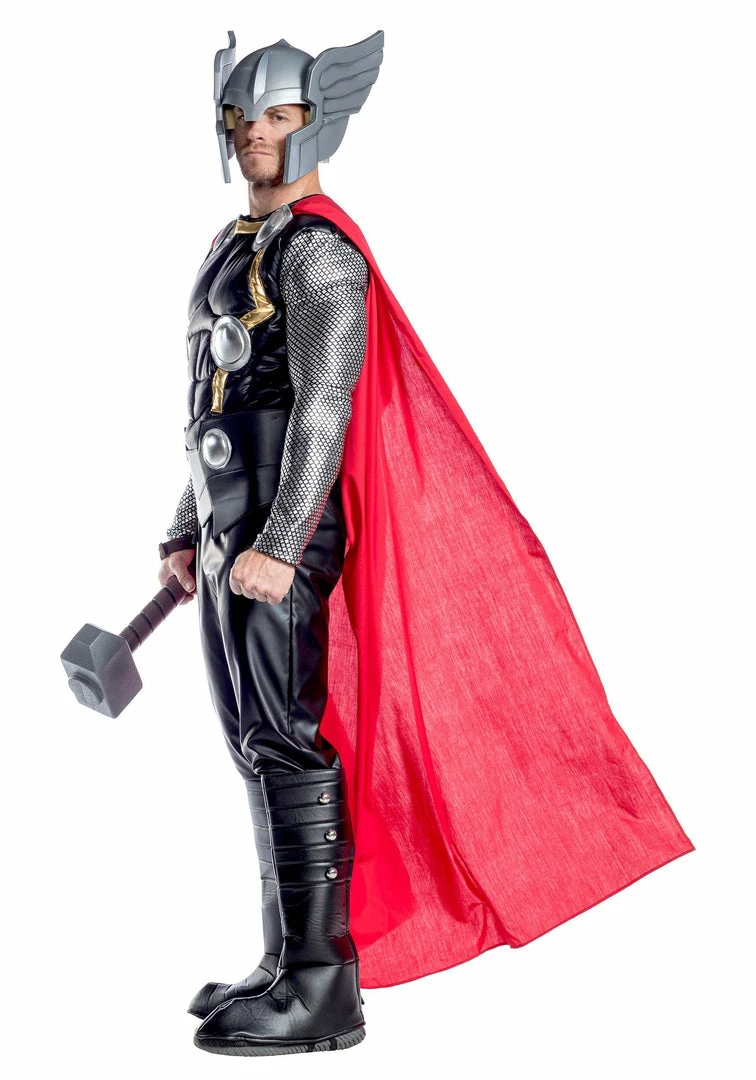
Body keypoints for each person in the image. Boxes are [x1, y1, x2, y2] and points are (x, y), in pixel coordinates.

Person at [158, 30, 694, 1058]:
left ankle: (323, 987)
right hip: (231, 527)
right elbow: (213, 402)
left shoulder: (319, 252)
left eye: (277, 115)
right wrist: (190, 525)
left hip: (277, 533)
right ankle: (283, 959)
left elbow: (323, 408)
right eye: (243, 116)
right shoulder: (238, 243)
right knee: (253, 742)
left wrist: (282, 539)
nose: (256, 133)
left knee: (286, 740)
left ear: (316, 120)